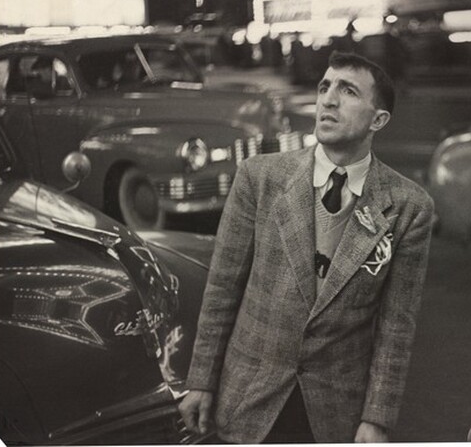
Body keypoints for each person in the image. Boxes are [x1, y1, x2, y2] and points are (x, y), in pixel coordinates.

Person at [179, 50, 435, 443]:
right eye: (324, 87)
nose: (328, 99)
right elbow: (223, 288)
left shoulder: (407, 207)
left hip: (335, 413)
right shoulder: (260, 178)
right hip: (250, 397)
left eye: (348, 91)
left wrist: (377, 418)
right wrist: (201, 381)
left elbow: (396, 325)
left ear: (378, 120)